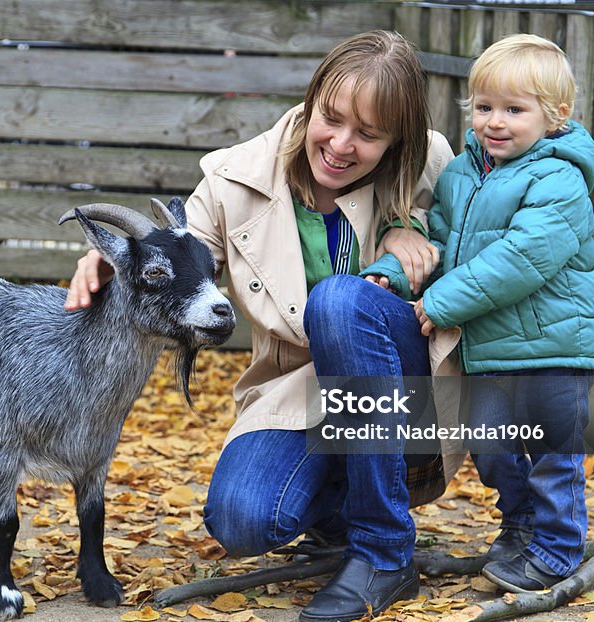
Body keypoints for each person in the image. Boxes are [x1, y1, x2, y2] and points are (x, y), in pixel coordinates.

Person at [66, 30, 462, 621]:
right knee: (244, 518)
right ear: (311, 99)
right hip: (298, 394)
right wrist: (116, 258)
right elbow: (180, 254)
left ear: (397, 139)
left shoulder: (430, 161)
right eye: (331, 118)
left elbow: (479, 253)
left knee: (338, 304)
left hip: (402, 394)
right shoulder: (233, 180)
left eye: (369, 134)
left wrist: (416, 231)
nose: (341, 144)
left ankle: (383, 549)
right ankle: (339, 519)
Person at [398, 33, 594, 592]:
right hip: (490, 350)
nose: (495, 121)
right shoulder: (462, 174)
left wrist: (440, 303)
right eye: (485, 107)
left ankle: (559, 548)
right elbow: (435, 238)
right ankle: (518, 526)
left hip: (554, 348)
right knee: (490, 445)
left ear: (555, 116)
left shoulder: (559, 178)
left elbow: (521, 259)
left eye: (514, 110)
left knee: (551, 454)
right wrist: (398, 272)